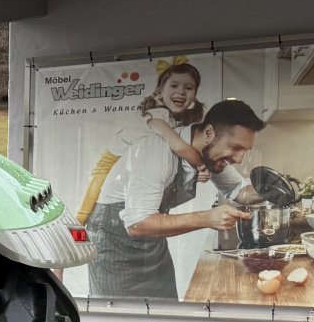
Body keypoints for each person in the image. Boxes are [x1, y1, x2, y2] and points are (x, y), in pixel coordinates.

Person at [88, 99, 268, 300]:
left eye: (245, 150)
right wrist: (207, 218)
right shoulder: (155, 149)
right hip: (115, 245)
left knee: (165, 318)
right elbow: (137, 223)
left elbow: (238, 190)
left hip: (151, 244)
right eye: (235, 147)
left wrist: (274, 188)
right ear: (209, 133)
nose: (239, 158)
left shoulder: (208, 154)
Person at [77, 60, 210, 225]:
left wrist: (196, 173)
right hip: (111, 159)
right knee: (88, 205)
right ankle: (78, 224)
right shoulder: (156, 116)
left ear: (194, 96)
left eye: (188, 88)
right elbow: (180, 147)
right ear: (160, 91)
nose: (181, 92)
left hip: (130, 169)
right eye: (174, 86)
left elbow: (176, 159)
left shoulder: (175, 120)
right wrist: (202, 165)